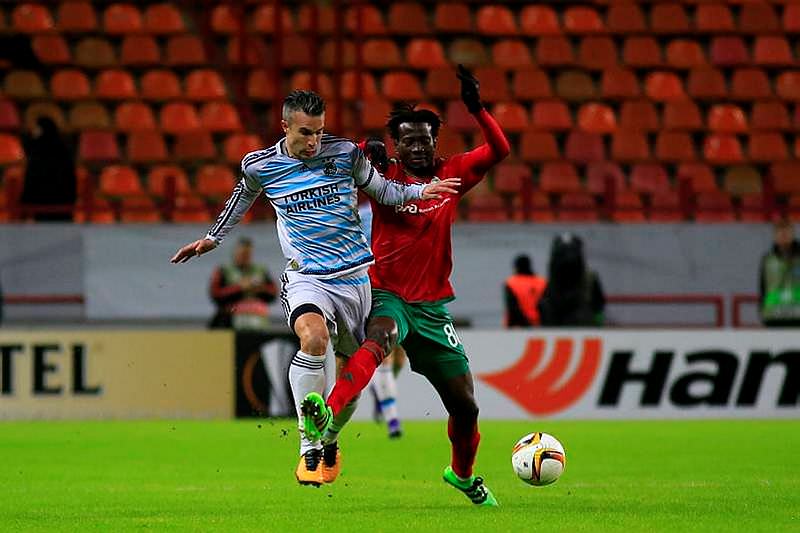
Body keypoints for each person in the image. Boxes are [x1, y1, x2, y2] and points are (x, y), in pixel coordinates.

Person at [171, 90, 459, 487]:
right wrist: (212, 238)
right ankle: (308, 446)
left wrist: (418, 192)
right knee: (313, 338)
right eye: (306, 133)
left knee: (350, 377)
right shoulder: (260, 166)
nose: (314, 142)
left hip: (355, 278)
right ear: (285, 126)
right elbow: (241, 199)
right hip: (306, 277)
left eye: (319, 132)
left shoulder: (345, 154)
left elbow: (383, 190)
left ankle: (330, 439)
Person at [302, 65, 510, 506]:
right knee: (380, 338)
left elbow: (500, 149)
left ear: (435, 142)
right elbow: (341, 161)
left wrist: (478, 110)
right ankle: (328, 415)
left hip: (432, 307)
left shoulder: (452, 173)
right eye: (409, 141)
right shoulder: (384, 175)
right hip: (386, 293)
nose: (418, 147)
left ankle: (462, 475)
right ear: (396, 145)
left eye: (425, 140)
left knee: (466, 406)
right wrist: (366, 147)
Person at [358, 188, 405, 439]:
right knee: (384, 353)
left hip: (396, 289)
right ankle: (392, 420)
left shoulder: (397, 213)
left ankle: (381, 392)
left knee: (398, 357)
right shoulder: (359, 216)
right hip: (370, 289)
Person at [208, 237, 277, 330]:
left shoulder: (261, 270)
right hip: (230, 321)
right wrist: (239, 288)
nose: (244, 257)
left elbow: (273, 292)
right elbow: (216, 294)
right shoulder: (223, 271)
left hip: (258, 321)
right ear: (235, 253)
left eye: (247, 254)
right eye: (242, 254)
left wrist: (259, 288)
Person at [538, 233, 606, 327]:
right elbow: (599, 304)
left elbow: (599, 304)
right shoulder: (551, 282)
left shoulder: (589, 278)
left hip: (580, 325)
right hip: (562, 325)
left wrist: (598, 322)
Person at [20, 116, 76, 221]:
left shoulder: (37, 151)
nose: (33, 131)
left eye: (36, 128)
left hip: (45, 206)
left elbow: (32, 178)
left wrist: (25, 201)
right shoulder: (64, 148)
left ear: (41, 129)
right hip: (62, 206)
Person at [759, 217, 800, 327]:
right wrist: (762, 311)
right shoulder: (767, 260)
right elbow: (763, 287)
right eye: (780, 232)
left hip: (797, 314)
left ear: (793, 234)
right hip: (773, 316)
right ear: (775, 236)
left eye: (787, 232)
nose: (783, 235)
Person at [504, 254, 547, 327]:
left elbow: (512, 308)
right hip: (540, 324)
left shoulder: (511, 283)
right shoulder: (542, 282)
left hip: (517, 326)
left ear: (516, 267)